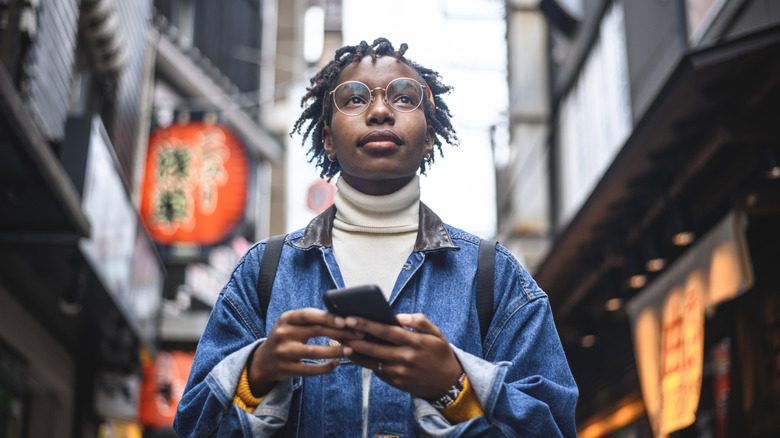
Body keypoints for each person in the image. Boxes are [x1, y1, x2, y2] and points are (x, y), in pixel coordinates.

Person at [174, 38, 578, 437]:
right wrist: (256, 374)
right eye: (353, 99)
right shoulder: (264, 271)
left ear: (429, 138)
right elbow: (193, 425)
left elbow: (554, 427)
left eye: (404, 99)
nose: (381, 110)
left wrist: (454, 389)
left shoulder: (493, 275)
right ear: (328, 138)